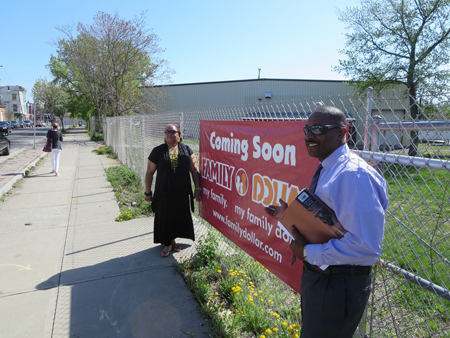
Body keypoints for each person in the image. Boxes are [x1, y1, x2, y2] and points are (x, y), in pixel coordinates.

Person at [266, 106, 388, 338]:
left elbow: (366, 248)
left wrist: (307, 252)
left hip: (337, 285)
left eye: (319, 129)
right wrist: (289, 217)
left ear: (342, 133)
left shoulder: (353, 175)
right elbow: (330, 224)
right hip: (324, 278)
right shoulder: (330, 168)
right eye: (307, 129)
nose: (309, 135)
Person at [144, 124, 201, 258]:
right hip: (163, 192)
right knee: (165, 217)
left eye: (172, 131)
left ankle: (173, 241)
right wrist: (148, 192)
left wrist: (197, 188)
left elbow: (194, 170)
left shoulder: (187, 150)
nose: (169, 134)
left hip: (181, 192)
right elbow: (149, 172)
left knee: (178, 217)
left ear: (179, 134)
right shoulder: (158, 151)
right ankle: (168, 244)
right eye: (167, 131)